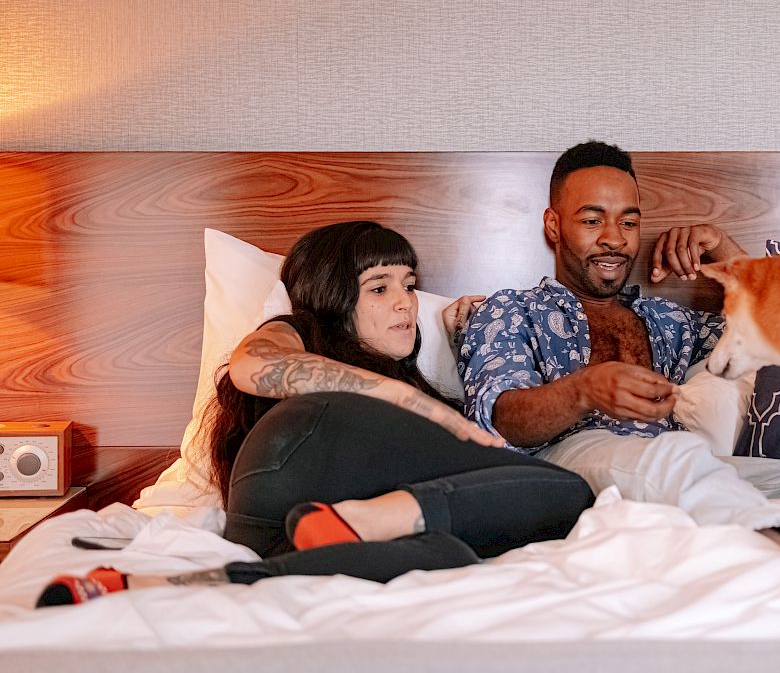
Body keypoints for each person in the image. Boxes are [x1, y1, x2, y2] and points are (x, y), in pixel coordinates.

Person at [37, 221, 594, 607]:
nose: (405, 302)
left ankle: (154, 585)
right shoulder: (300, 330)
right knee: (568, 492)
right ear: (331, 299)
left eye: (409, 286)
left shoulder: (408, 379)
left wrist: (458, 352)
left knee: (447, 552)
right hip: (305, 440)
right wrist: (400, 395)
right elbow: (253, 367)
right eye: (379, 288)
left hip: (277, 521)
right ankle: (371, 518)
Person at [460, 142, 780, 584]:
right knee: (675, 458)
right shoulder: (509, 310)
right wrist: (584, 390)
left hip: (680, 465)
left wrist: (724, 249)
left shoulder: (667, 321)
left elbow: (773, 328)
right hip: (568, 461)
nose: (614, 238)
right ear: (553, 225)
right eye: (593, 220)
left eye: (628, 222)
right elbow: (501, 418)